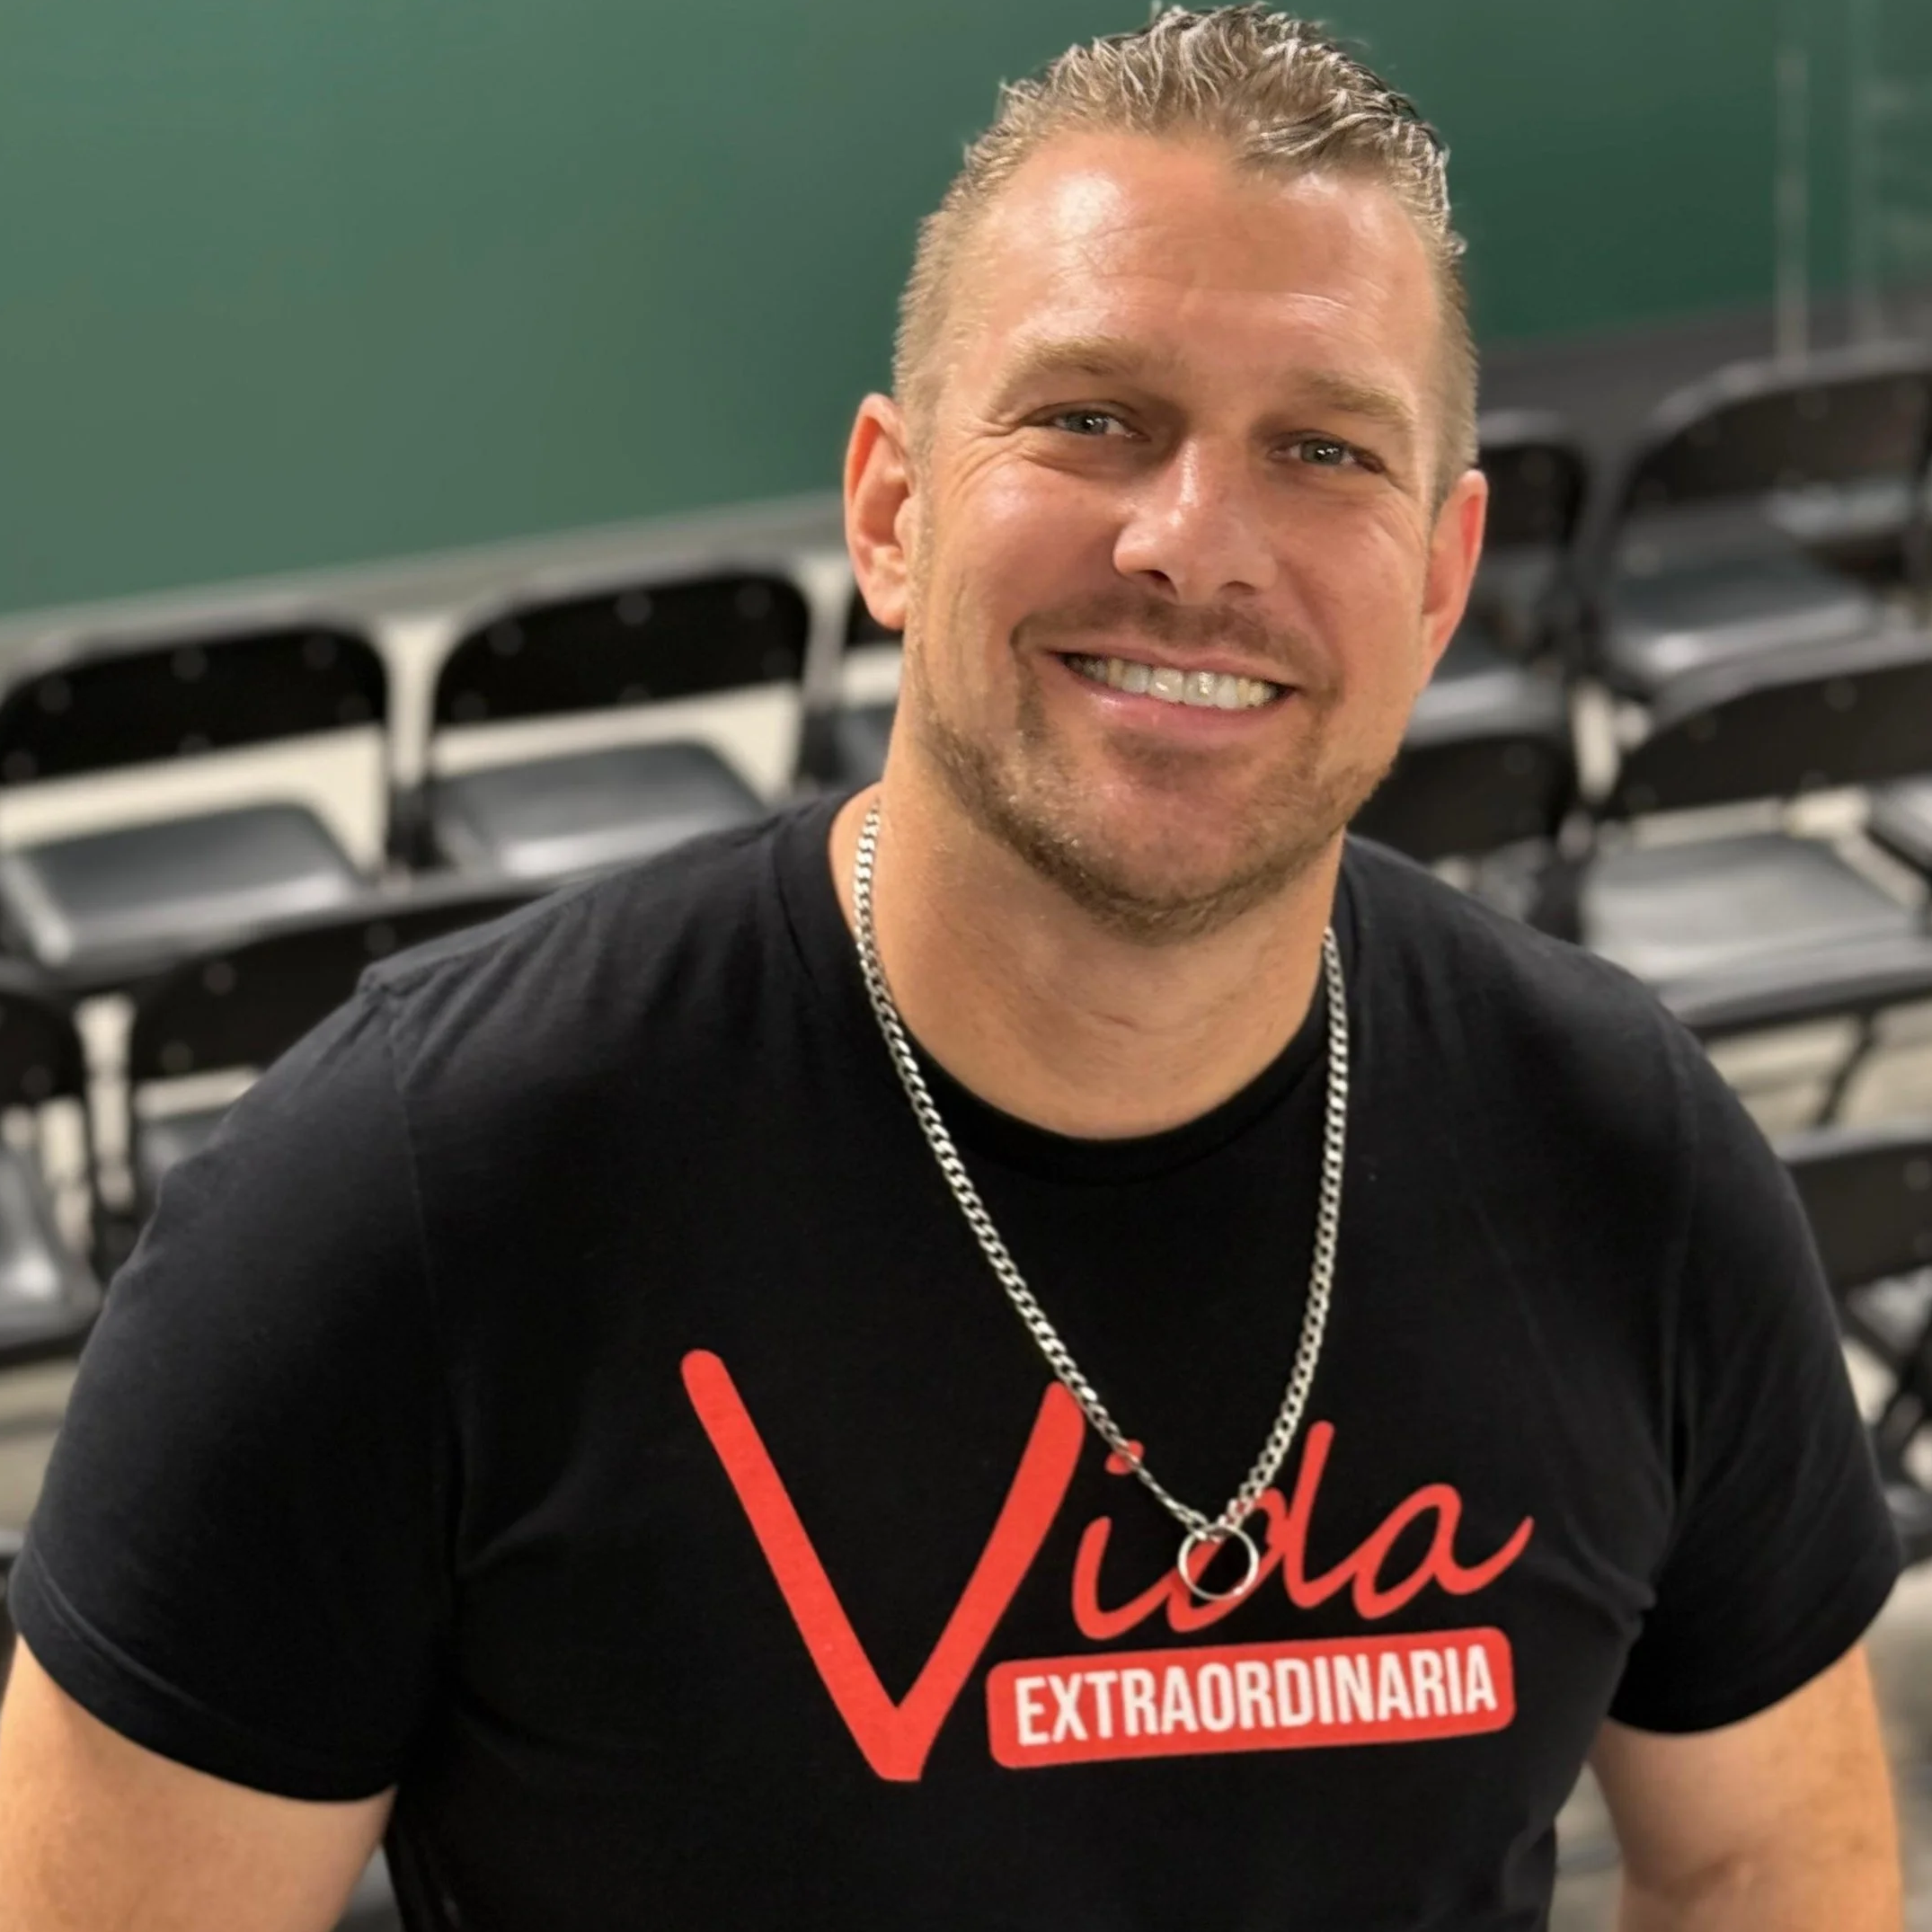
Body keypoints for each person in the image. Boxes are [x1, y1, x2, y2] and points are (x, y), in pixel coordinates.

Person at [0, 9, 1905, 1928]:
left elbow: (1766, 1854)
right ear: (891, 508)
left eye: (1322, 448)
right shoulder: (399, 1200)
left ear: (1436, 573)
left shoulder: (1619, 1154)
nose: (1193, 543)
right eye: (1090, 418)